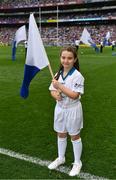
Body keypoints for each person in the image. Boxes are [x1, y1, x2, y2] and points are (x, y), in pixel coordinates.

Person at [48, 46, 84, 176]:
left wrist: (60, 87)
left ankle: (77, 162)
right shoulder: (57, 74)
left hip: (73, 109)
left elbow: (75, 95)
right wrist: (55, 94)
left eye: (69, 58)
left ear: (74, 59)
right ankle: (61, 158)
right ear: (60, 58)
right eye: (63, 57)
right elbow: (52, 89)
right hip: (60, 109)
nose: (66, 61)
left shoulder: (78, 76)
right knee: (61, 133)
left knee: (74, 136)